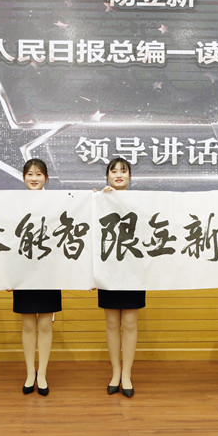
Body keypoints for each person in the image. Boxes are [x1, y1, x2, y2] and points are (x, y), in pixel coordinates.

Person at [96, 158, 145, 398]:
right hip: (109, 271)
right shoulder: (100, 201)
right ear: (107, 176)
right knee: (112, 324)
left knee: (130, 324)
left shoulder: (141, 201)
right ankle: (115, 372)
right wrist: (99, 199)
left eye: (123, 171)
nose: (118, 174)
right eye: (113, 171)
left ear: (130, 177)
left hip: (133, 271)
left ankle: (127, 374)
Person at [12, 159, 61, 396]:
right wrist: (9, 275)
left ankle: (42, 373)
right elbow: (9, 242)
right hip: (24, 273)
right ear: (23, 177)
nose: (34, 178)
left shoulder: (56, 203)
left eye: (39, 174)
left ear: (46, 178)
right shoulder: (15, 203)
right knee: (28, 325)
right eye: (30, 174)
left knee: (45, 325)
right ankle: (30, 372)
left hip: (49, 272)